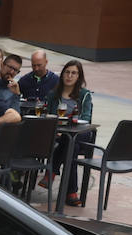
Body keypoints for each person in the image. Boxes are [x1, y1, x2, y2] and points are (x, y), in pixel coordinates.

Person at [43, 60, 95, 206]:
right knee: (71, 147)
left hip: (81, 134)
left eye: (74, 73)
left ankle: (51, 171)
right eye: (67, 72)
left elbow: (86, 119)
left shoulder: (84, 95)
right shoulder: (53, 95)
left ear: (79, 76)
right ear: (62, 74)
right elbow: (49, 116)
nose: (69, 76)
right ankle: (71, 192)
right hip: (60, 135)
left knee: (71, 141)